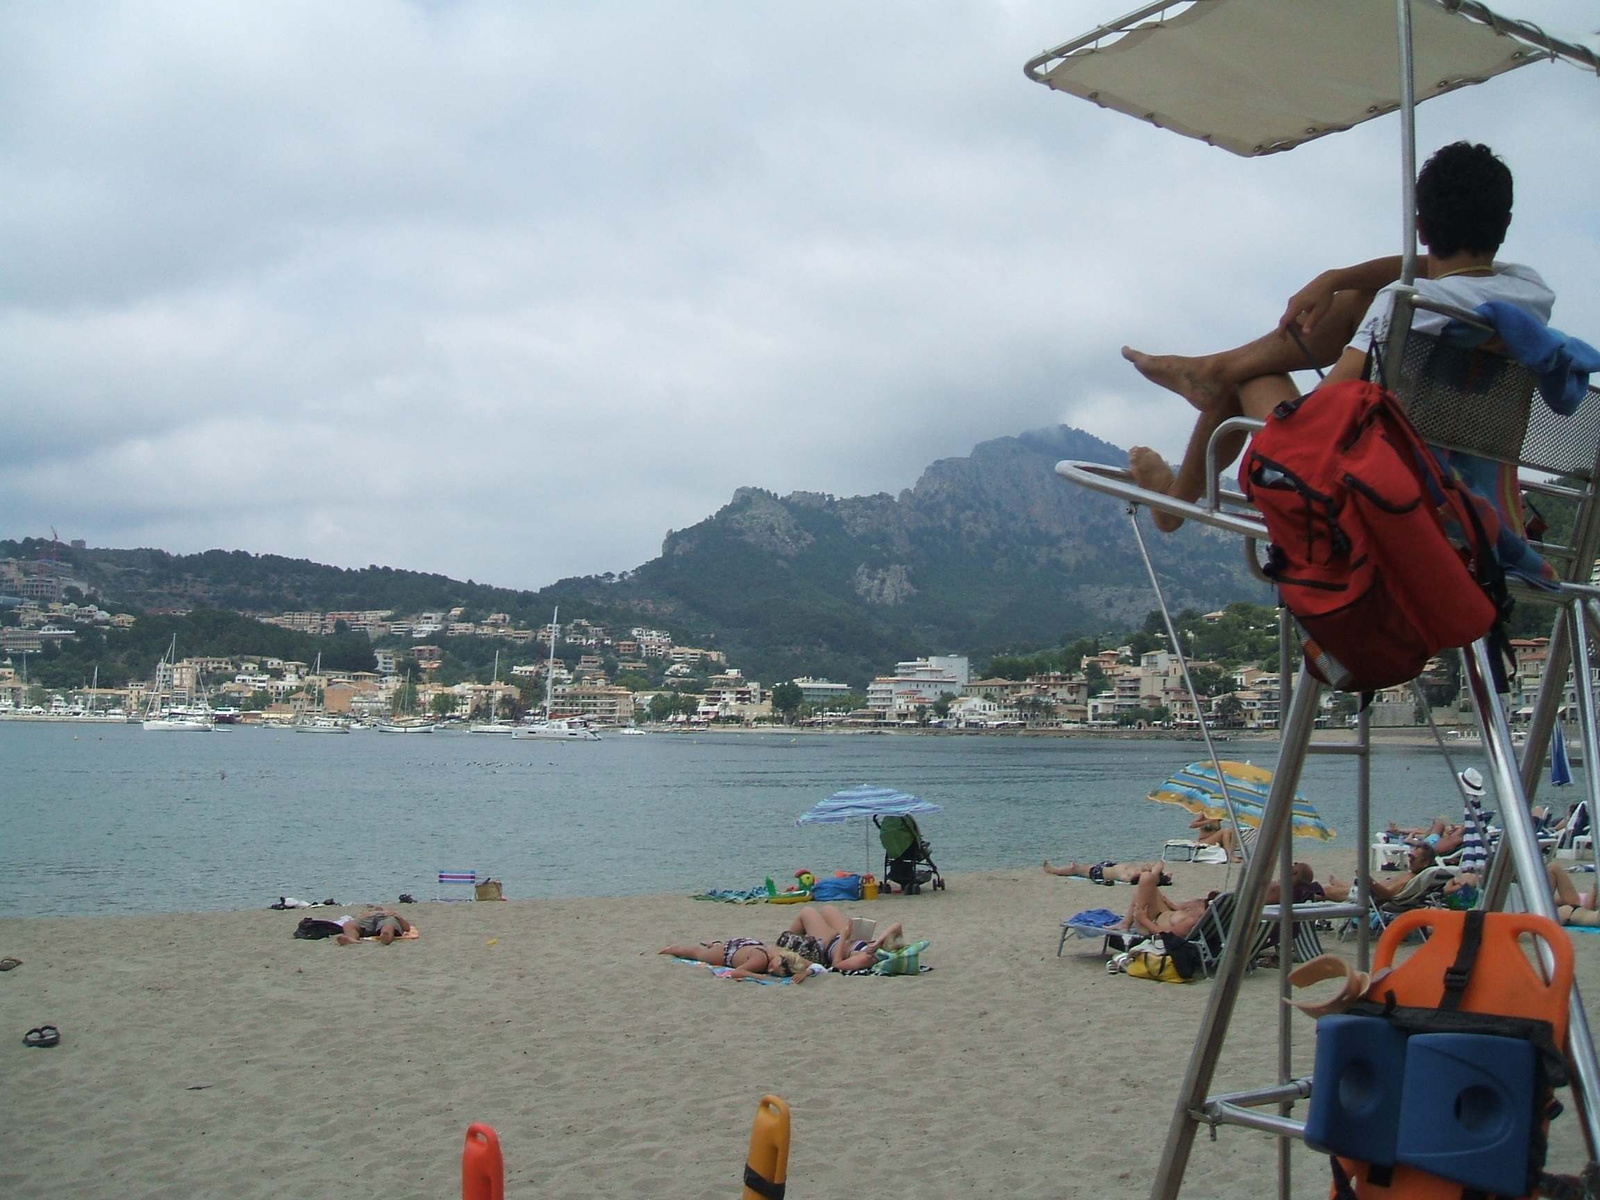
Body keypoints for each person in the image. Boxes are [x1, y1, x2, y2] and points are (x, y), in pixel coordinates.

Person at [1121, 142, 1553, 532]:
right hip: (1479, 507)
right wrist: (1337, 280)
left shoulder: (1403, 310)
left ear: (1420, 229)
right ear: (1506, 224)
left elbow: (1320, 414)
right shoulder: (1529, 295)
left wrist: (1334, 289)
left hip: (1378, 499)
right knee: (1352, 302)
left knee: (1251, 375)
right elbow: (1442, 272)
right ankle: (1208, 385)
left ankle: (1180, 486)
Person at [776, 905, 906, 971]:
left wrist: (844, 936)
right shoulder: (876, 947)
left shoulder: (866, 958)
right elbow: (897, 925)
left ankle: (781, 948)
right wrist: (877, 942)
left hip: (830, 945)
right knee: (828, 909)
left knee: (806, 912)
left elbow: (836, 965)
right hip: (849, 938)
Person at [658, 936, 811, 983]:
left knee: (711, 950)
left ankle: (715, 944)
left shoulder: (789, 958)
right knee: (698, 954)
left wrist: (805, 973)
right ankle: (673, 948)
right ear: (779, 958)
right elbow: (737, 972)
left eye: (775, 972)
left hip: (747, 945)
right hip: (730, 952)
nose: (770, 970)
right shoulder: (761, 960)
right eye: (772, 967)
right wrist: (761, 976)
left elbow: (817, 966)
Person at [1322, 844, 1440, 904]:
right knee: (1336, 887)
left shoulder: (1411, 879)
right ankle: (1338, 884)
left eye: (1413, 858)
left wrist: (1370, 881)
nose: (1409, 859)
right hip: (1369, 891)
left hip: (1370, 897)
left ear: (1425, 863)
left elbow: (1387, 895)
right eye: (1409, 855)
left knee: (1325, 891)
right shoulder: (1417, 877)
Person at [1547, 862, 1600, 928]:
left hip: (1576, 908)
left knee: (1553, 868)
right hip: (1575, 908)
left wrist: (1595, 891)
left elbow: (1589, 909)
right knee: (1552, 868)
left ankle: (1539, 903)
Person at [1042, 859, 1171, 886]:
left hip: (1101, 872)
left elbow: (1158, 866)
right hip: (1111, 865)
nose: (1148, 864)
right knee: (1083, 866)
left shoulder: (1135, 877)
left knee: (1075, 869)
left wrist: (1153, 872)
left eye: (1149, 866)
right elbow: (1161, 863)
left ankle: (1053, 870)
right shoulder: (1142, 872)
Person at [336, 907, 412, 945]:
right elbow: (357, 920)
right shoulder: (366, 913)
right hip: (367, 919)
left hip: (386, 918)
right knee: (348, 924)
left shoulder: (391, 913)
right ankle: (352, 939)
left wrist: (397, 916)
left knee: (387, 927)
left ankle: (386, 937)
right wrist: (364, 915)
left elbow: (407, 928)